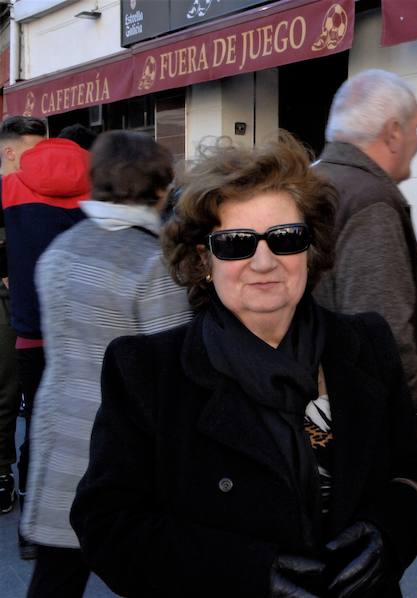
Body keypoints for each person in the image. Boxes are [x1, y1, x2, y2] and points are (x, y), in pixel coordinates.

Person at [70, 133, 417, 597]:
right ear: (204, 259)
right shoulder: (147, 370)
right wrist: (244, 573)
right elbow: (106, 524)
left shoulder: (366, 343)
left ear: (309, 248)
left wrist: (388, 532)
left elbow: (409, 469)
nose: (264, 262)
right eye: (237, 243)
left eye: (285, 238)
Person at [22, 131, 193, 597]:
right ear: (161, 189)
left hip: (60, 435)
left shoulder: (58, 252)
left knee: (57, 576)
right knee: (153, 574)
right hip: (128, 449)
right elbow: (171, 375)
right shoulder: (154, 264)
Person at [314, 69, 417, 459]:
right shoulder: (370, 202)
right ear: (393, 132)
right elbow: (382, 334)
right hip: (371, 432)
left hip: (324, 420)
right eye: (416, 128)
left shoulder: (313, 184)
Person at [2, 123, 89, 558]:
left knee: (40, 424)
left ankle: (34, 532)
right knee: (95, 428)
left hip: (33, 334)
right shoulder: (97, 188)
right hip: (90, 332)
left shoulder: (10, 188)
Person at [0, 116, 46, 517]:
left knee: (16, 394)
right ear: (11, 151)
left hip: (24, 311)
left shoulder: (38, 193)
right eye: (35, 152)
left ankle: (13, 478)